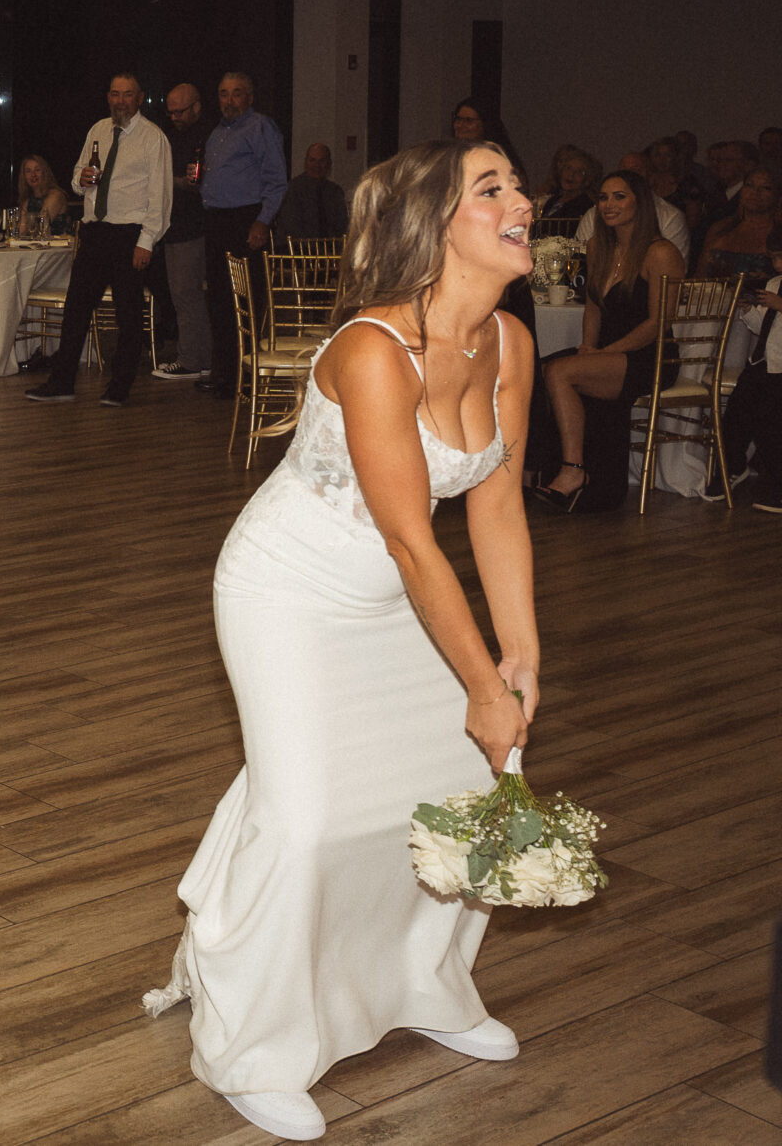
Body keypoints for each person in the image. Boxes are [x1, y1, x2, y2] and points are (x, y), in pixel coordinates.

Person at [149, 140, 537, 1142]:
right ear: (435, 226)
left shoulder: (509, 343)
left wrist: (520, 657)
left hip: (398, 595)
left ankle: (425, 980)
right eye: (491, 188)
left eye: (516, 183)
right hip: (288, 589)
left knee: (464, 790)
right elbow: (411, 539)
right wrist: (478, 684)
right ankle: (252, 1047)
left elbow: (496, 504)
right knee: (309, 821)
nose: (523, 201)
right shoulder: (373, 348)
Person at [530, 170, 686, 512]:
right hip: (607, 351)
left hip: (650, 355)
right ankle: (538, 470)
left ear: (640, 202)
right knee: (539, 369)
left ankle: (574, 471)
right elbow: (593, 307)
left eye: (619, 196)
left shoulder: (661, 252)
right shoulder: (597, 246)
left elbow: (658, 323)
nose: (608, 204)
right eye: (603, 197)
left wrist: (604, 353)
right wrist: (590, 347)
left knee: (560, 372)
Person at [29, 73, 171, 409]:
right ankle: (62, 382)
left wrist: (146, 241)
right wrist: (81, 179)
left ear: (139, 99)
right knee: (76, 308)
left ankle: (119, 386)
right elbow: (76, 180)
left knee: (128, 314)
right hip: (94, 231)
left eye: (127, 95)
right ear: (108, 97)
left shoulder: (153, 138)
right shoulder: (98, 130)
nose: (120, 101)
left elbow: (161, 197)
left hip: (130, 234)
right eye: (115, 94)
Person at [200, 72, 289, 395]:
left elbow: (277, 181)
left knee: (246, 301)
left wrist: (262, 221)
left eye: (236, 93)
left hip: (246, 221)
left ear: (249, 98)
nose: (229, 100)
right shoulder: (217, 133)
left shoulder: (260, 127)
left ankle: (248, 377)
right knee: (220, 300)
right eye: (224, 94)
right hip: (217, 222)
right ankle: (226, 375)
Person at [153, 82, 213, 384]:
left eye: (180, 111)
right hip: (174, 226)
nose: (175, 117)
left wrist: (167, 181)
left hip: (192, 227)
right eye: (171, 112)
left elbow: (198, 184)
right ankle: (201, 360)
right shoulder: (171, 136)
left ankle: (191, 360)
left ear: (197, 107)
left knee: (186, 296)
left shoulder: (207, 137)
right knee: (184, 296)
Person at [720, 252, 782, 513]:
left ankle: (776, 484)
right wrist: (747, 309)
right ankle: (733, 465)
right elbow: (763, 325)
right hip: (764, 361)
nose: (777, 264)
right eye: (775, 258)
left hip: (779, 367)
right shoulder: (774, 283)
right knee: (736, 411)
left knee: (770, 423)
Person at [696, 168, 775, 278]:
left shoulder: (777, 233)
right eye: (749, 185)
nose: (755, 192)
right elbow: (700, 275)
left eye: (765, 187)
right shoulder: (720, 228)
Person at [275, 143, 350, 243]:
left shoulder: (335, 192)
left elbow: (342, 227)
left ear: (329, 164)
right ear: (305, 163)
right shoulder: (292, 190)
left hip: (330, 248)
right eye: (312, 160)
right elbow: (291, 228)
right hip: (298, 248)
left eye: (322, 161)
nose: (317, 165)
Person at [448, 97, 520, 174]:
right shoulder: (450, 156)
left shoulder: (498, 159)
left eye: (468, 120)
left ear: (485, 125)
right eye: (458, 119)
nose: (460, 125)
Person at [536, 145, 601, 225]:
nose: (571, 175)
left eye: (579, 172)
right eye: (568, 168)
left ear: (587, 179)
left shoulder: (584, 205)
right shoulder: (553, 200)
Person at [11, 155, 71, 236]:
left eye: (37, 170)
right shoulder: (28, 198)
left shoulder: (55, 195)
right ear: (24, 176)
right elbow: (21, 230)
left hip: (57, 243)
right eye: (28, 171)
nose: (33, 174)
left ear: (45, 173)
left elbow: (40, 227)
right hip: (35, 243)